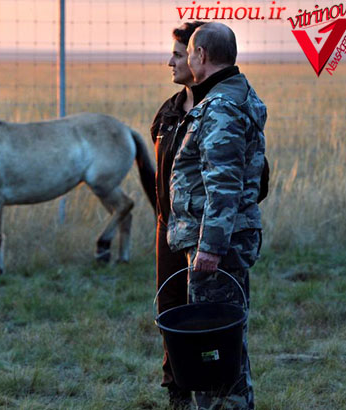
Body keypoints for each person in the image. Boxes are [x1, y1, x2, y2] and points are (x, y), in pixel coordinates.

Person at [166, 22, 267, 409]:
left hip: (217, 248)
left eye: (188, 53)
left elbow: (222, 185)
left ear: (201, 57)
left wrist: (209, 248)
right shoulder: (236, 95)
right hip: (225, 240)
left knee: (214, 348)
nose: (185, 59)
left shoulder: (221, 107)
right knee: (227, 343)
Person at [151, 20, 205, 409]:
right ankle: (177, 391)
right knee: (170, 310)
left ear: (197, 57)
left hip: (207, 235)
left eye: (176, 54)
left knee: (207, 316)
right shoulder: (168, 112)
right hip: (167, 229)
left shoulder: (220, 112)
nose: (169, 61)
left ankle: (213, 387)